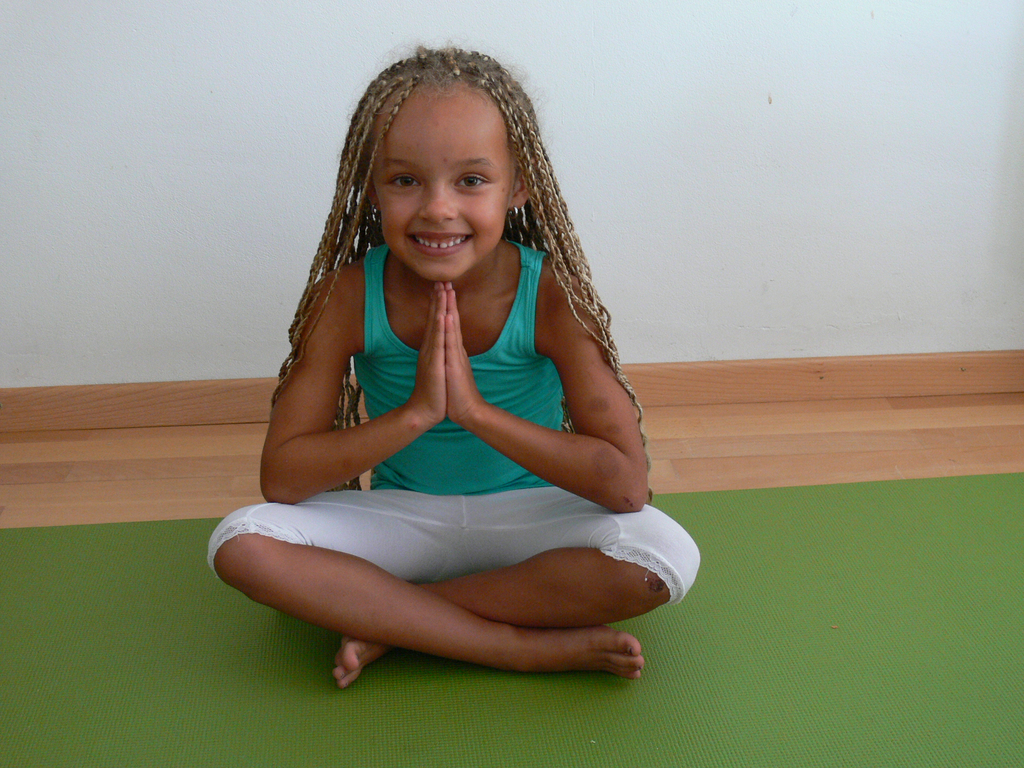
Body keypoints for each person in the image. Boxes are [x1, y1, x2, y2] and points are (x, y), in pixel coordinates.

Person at [208, 46, 699, 689]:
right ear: (372, 186)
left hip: (531, 519)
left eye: (471, 180)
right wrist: (416, 415)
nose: (438, 208)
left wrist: (475, 413)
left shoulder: (552, 295)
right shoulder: (347, 295)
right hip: (403, 520)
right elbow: (283, 477)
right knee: (240, 542)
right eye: (405, 181)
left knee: (666, 556)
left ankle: (396, 618)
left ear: (518, 185)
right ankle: (510, 646)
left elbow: (626, 486)